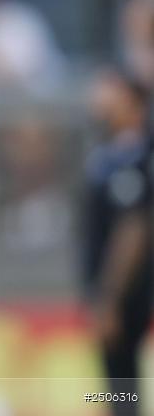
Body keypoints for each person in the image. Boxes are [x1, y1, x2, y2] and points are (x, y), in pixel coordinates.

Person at [84, 68, 153, 416]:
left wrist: (110, 296)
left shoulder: (133, 158)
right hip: (114, 293)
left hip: (125, 294)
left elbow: (133, 229)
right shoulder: (110, 154)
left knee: (123, 391)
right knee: (117, 390)